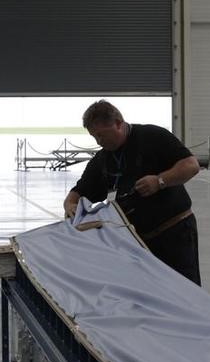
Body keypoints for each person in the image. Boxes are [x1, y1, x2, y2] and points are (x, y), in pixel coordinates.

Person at [63, 100, 202, 285]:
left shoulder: (152, 136)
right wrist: (70, 205)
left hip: (174, 235)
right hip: (136, 242)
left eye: (101, 135)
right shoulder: (102, 159)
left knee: (185, 291)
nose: (98, 141)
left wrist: (160, 181)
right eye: (94, 136)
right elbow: (79, 191)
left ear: (118, 123)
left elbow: (191, 165)